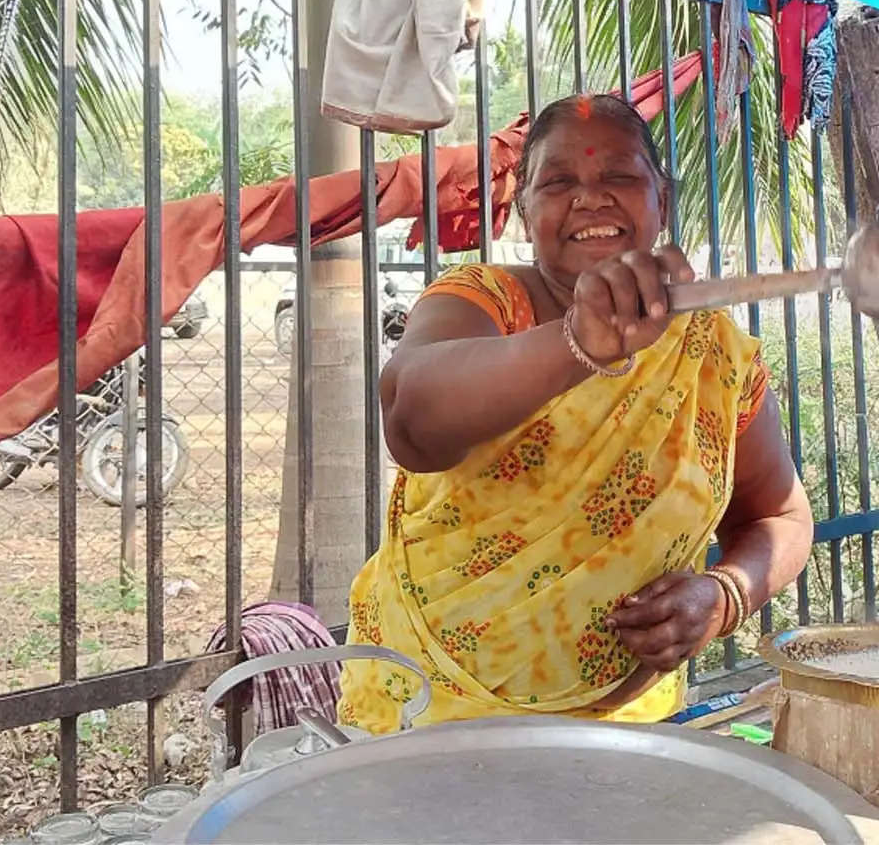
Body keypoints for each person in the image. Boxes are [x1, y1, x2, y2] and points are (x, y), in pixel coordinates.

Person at [337, 93, 813, 732]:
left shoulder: (715, 356)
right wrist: (578, 345)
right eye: (559, 182)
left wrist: (723, 594)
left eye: (619, 176)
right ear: (524, 212)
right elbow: (411, 417)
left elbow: (780, 515)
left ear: (662, 202)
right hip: (428, 709)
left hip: (627, 730)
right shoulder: (485, 300)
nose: (590, 198)